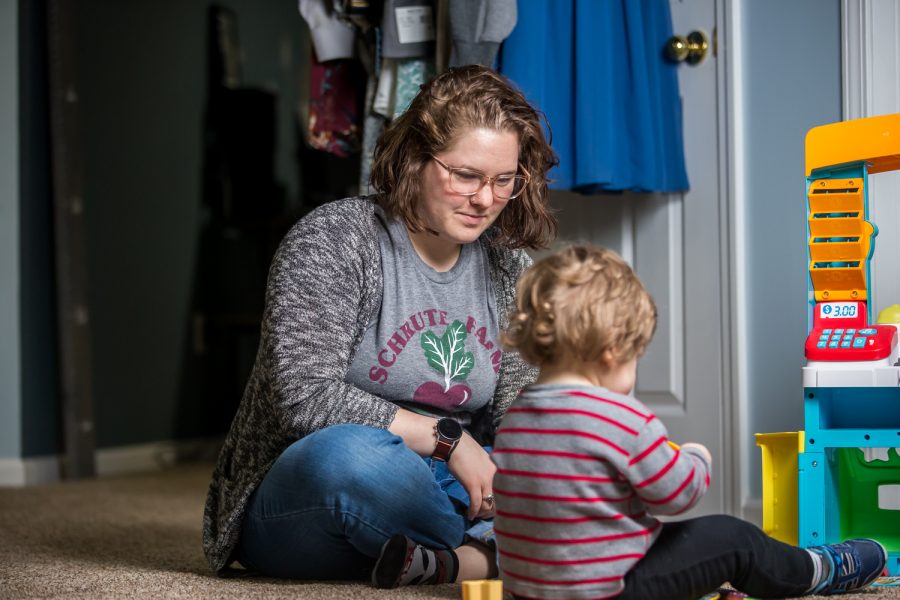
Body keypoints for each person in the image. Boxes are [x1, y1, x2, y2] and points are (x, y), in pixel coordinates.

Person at [201, 64, 559, 587]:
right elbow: (303, 398)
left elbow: (514, 419)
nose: (485, 199)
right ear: (415, 158)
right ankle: (498, 555)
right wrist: (449, 441)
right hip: (315, 488)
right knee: (353, 458)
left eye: (503, 180)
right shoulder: (334, 239)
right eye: (466, 175)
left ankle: (440, 558)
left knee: (569, 462)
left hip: (454, 489)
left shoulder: (507, 268)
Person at [493, 244, 887, 600]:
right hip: (613, 591)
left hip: (531, 591)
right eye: (635, 356)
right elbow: (674, 494)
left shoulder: (516, 417)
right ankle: (816, 570)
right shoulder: (621, 419)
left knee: (649, 535)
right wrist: (696, 460)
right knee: (732, 537)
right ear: (613, 349)